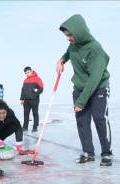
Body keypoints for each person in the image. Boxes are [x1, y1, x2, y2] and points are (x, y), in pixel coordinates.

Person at [57, 14, 113, 166]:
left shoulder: (95, 49)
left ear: (79, 32)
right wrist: (62, 60)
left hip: (98, 89)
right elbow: (69, 52)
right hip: (80, 88)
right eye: (66, 35)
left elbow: (94, 79)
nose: (68, 38)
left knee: (100, 119)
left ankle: (107, 153)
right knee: (82, 121)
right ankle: (88, 153)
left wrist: (82, 101)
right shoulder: (74, 44)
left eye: (70, 35)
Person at [20, 66, 44, 132]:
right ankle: (25, 127)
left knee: (35, 113)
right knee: (26, 114)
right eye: (26, 73)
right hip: (26, 100)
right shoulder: (25, 80)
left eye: (28, 72)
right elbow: (23, 90)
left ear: (31, 71)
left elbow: (41, 89)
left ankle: (35, 127)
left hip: (34, 100)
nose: (27, 74)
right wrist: (21, 99)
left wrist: (35, 94)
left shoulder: (37, 79)